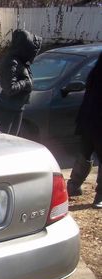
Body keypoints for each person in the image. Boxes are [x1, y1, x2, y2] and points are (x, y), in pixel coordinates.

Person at [67, 52, 102, 209]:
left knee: (85, 152)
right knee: (87, 153)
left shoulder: (96, 69)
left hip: (88, 118)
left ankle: (73, 186)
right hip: (95, 120)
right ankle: (100, 196)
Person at [0, 29, 42, 135]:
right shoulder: (12, 62)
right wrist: (25, 83)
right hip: (6, 110)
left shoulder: (22, 62)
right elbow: (9, 88)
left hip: (17, 108)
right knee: (4, 142)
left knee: (13, 140)